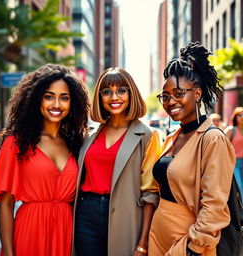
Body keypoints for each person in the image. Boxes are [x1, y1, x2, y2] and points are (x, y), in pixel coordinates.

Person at [0, 64, 89, 256]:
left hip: (68, 233)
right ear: (36, 99)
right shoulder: (16, 142)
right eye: (49, 96)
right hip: (30, 231)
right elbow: (6, 204)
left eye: (64, 98)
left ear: (73, 102)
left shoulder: (77, 143)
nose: (56, 104)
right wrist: (9, 253)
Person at [149, 42, 235, 256]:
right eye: (166, 96)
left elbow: (214, 206)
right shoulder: (172, 137)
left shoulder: (213, 139)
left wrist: (192, 249)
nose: (171, 102)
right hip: (157, 235)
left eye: (179, 94)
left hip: (188, 240)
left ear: (197, 94)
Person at [73, 67, 162, 256]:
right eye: (107, 92)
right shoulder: (89, 135)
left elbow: (150, 194)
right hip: (85, 214)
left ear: (131, 93)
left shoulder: (147, 135)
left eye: (121, 90)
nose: (114, 97)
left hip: (126, 215)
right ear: (99, 96)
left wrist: (143, 243)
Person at [224, 107, 243, 198]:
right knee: (239, 186)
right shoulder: (231, 130)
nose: (242, 117)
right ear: (235, 117)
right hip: (234, 162)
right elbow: (221, 146)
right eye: (239, 115)